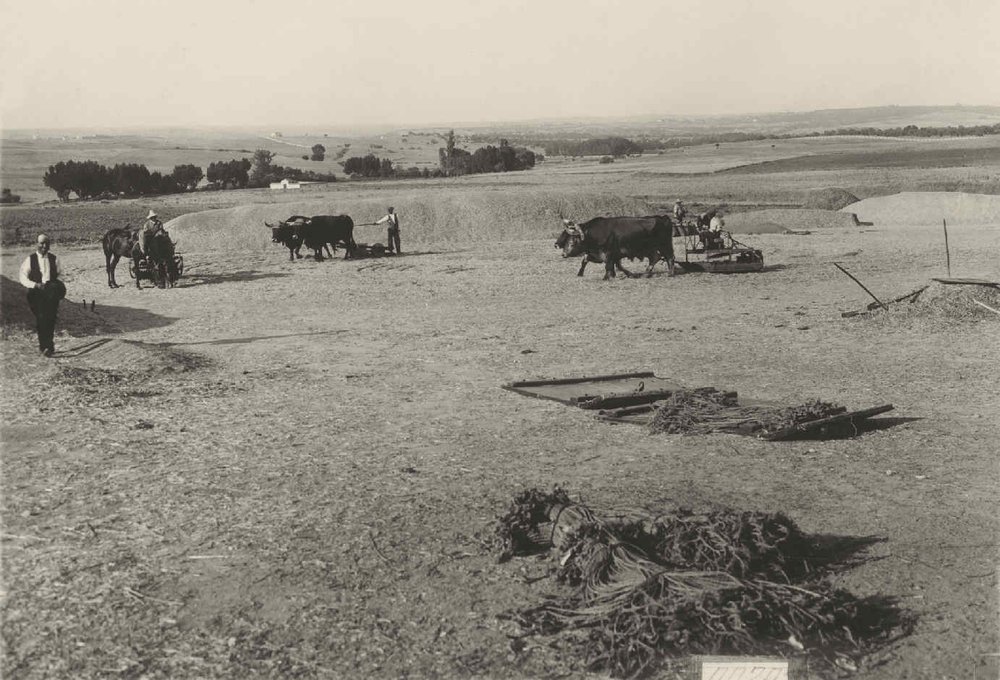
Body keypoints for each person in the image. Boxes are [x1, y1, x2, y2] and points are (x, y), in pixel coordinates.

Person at [18, 234, 66, 357]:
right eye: (41, 243)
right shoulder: (30, 259)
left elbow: (61, 274)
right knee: (41, 318)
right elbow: (23, 277)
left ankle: (48, 346)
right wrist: (35, 285)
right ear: (37, 244)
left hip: (51, 293)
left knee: (50, 318)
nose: (44, 246)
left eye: (46, 243)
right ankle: (44, 345)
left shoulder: (54, 259)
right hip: (36, 294)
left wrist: (56, 284)